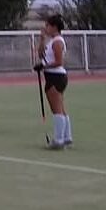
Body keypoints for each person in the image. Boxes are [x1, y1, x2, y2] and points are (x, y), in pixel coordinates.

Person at [36, 15, 73, 149]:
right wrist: (41, 39)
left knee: (56, 109)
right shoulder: (51, 41)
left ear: (54, 27)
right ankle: (67, 137)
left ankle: (58, 140)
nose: (45, 28)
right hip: (52, 76)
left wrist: (43, 67)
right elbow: (41, 55)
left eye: (47, 26)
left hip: (56, 77)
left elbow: (59, 62)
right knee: (60, 108)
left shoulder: (57, 41)